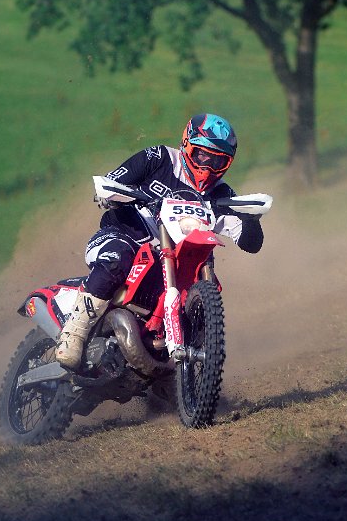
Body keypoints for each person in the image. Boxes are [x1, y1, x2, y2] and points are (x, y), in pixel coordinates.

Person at [55, 113, 264, 370]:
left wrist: (251, 219)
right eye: (202, 155)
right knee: (118, 258)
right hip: (124, 235)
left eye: (217, 160)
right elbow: (111, 181)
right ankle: (73, 334)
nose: (208, 166)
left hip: (173, 264)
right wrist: (112, 193)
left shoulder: (221, 193)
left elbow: (250, 243)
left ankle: (179, 373)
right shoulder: (160, 158)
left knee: (196, 286)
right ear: (187, 145)